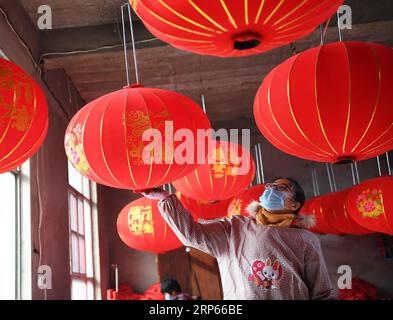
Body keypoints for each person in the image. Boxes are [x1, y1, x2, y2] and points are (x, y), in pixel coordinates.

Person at [137, 177, 336, 300]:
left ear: (295, 205)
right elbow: (191, 234)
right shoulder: (236, 226)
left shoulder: (306, 239)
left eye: (281, 188)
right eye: (271, 186)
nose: (271, 190)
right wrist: (164, 198)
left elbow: (323, 292)